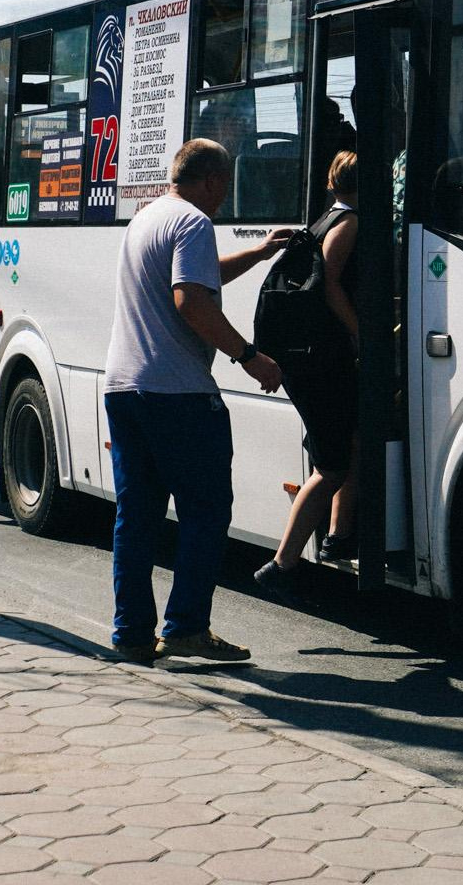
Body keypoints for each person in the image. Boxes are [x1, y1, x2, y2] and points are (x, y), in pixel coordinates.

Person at [103, 138, 297, 665]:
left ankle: (132, 635)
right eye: (225, 187)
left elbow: (194, 278)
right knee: (206, 512)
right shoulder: (193, 223)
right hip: (178, 394)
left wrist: (257, 254)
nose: (224, 198)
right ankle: (186, 626)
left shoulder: (147, 219)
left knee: (136, 516)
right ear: (212, 180)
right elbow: (190, 300)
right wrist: (249, 355)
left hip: (123, 388)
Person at [250, 151, 364, 600]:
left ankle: (338, 534)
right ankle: (281, 565)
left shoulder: (325, 217)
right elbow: (330, 283)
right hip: (319, 358)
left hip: (308, 356)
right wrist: (361, 333)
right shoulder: (348, 223)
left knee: (350, 440)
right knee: (331, 465)